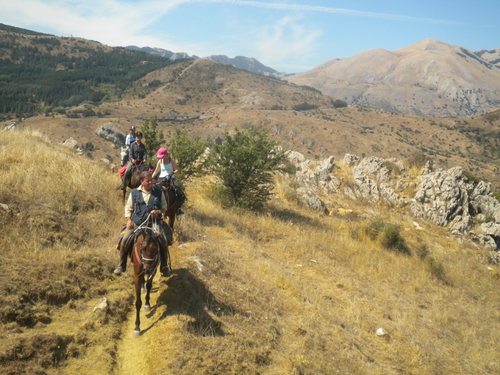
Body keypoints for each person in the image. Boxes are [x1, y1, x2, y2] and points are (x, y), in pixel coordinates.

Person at [114, 171, 172, 277]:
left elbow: (164, 207)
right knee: (125, 238)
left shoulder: (159, 192)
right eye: (147, 181)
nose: (150, 183)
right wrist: (129, 220)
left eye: (151, 180)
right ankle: (121, 265)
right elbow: (129, 207)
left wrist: (158, 211)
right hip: (137, 223)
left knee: (163, 239)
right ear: (142, 182)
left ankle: (164, 266)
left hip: (154, 223)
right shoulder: (134, 192)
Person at [152, 147, 186, 214]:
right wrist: (151, 177)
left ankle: (178, 208)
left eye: (162, 156)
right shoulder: (159, 161)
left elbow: (177, 169)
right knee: (154, 190)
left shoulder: (171, 160)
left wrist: (171, 173)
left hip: (171, 178)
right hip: (161, 178)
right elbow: (156, 171)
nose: (161, 158)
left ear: (166, 154)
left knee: (179, 192)